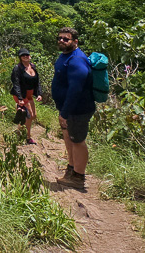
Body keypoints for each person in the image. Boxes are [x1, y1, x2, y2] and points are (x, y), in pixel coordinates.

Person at [51, 27, 95, 190]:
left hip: (77, 109)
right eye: (60, 38)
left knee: (77, 141)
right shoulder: (65, 56)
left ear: (75, 42)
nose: (61, 41)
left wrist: (65, 112)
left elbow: (76, 88)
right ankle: (71, 169)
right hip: (68, 109)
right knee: (69, 139)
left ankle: (78, 177)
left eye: (66, 39)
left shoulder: (77, 59)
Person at [10, 49, 43, 144]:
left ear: (30, 56)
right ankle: (28, 138)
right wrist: (20, 98)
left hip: (29, 95)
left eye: (27, 55)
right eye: (22, 55)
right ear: (20, 58)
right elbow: (16, 83)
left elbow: (37, 82)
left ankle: (19, 132)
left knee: (33, 116)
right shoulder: (18, 68)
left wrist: (39, 93)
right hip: (21, 94)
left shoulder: (33, 66)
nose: (25, 56)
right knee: (29, 116)